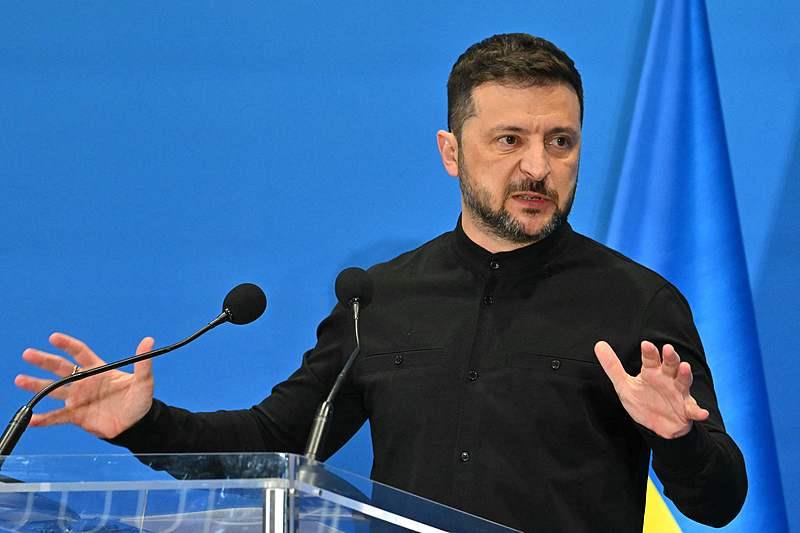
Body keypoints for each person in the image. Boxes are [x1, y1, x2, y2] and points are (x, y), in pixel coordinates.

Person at [14, 33, 746, 531]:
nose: (538, 166)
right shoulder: (380, 299)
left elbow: (720, 501)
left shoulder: (637, 303)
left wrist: (679, 438)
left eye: (561, 141)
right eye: (509, 140)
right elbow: (274, 442)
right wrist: (144, 425)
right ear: (451, 152)